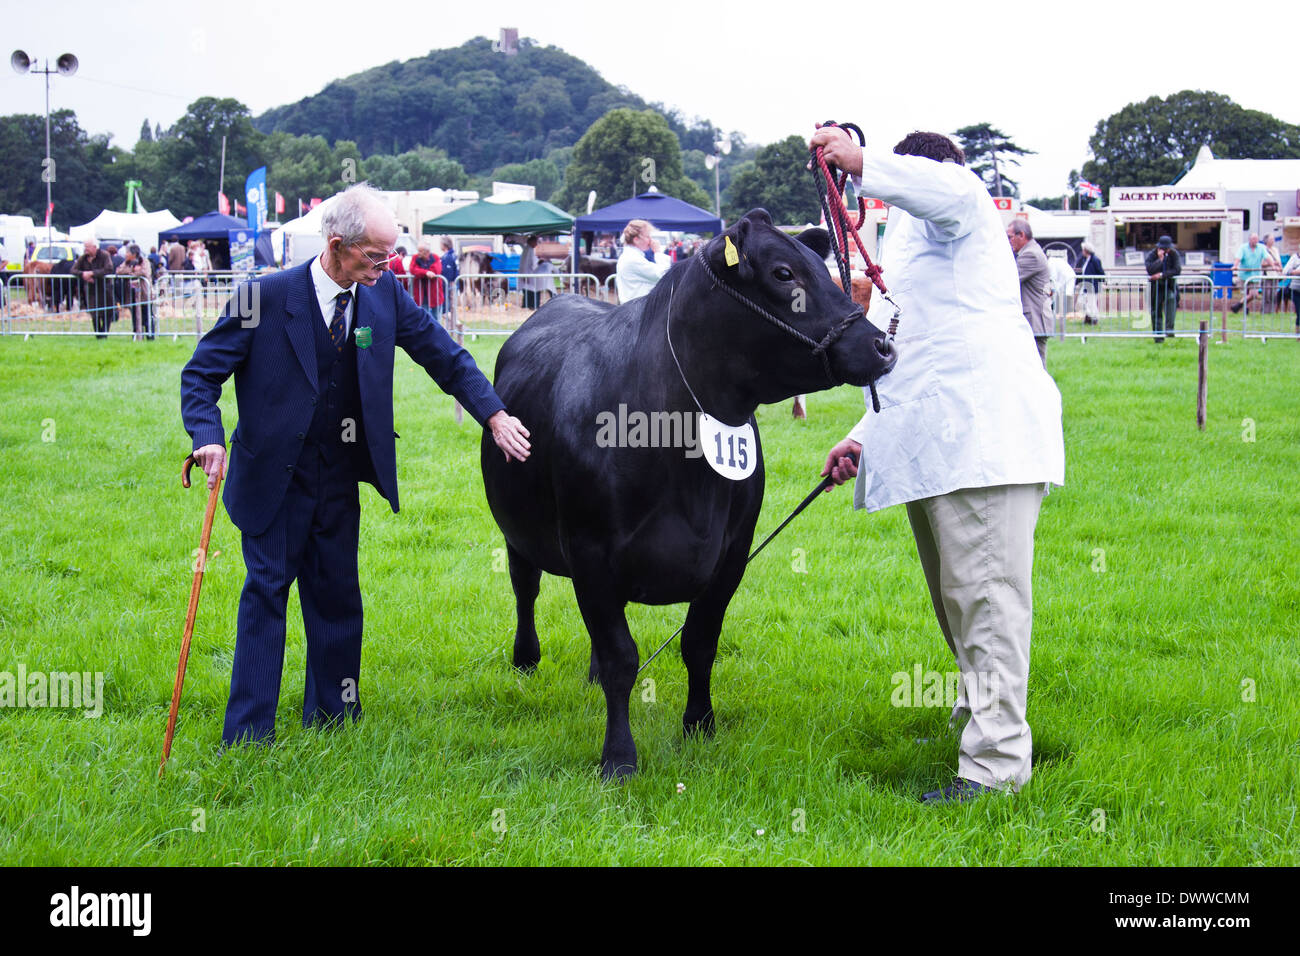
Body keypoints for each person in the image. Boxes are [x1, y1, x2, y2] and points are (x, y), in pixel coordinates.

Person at [181, 183, 532, 748]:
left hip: (339, 476)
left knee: (338, 596)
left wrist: (492, 415)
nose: (386, 264)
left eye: (390, 253)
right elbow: (200, 376)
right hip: (272, 477)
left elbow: (444, 355)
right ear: (336, 243)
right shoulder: (263, 298)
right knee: (266, 597)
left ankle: (333, 719)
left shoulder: (384, 294)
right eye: (375, 254)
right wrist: (208, 437)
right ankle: (247, 736)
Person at [809, 126, 1064, 804]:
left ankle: (997, 767)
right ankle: (976, 717)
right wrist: (861, 434)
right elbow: (905, 353)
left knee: (987, 603)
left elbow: (945, 188)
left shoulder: (963, 203)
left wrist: (863, 161)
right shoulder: (908, 247)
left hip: (984, 441)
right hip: (936, 445)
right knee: (959, 604)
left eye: (893, 179)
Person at [1007, 219, 1051, 367]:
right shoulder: (1031, 251)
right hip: (1033, 320)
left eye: (1010, 237)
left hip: (1034, 321)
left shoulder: (1030, 255)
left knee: (1036, 368)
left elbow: (1007, 280)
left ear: (1022, 235)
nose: (1008, 241)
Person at [615, 219, 670, 302]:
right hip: (637, 311)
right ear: (636, 240)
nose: (650, 240)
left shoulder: (632, 256)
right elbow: (663, 274)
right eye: (648, 236)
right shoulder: (633, 259)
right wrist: (658, 252)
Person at [72, 239, 115, 338]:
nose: (85, 249)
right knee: (94, 313)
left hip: (105, 288)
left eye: (87, 247)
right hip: (91, 290)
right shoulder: (83, 258)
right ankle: (98, 335)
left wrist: (92, 273)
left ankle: (104, 335)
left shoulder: (104, 255)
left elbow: (109, 269)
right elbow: (73, 270)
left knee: (107, 312)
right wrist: (83, 274)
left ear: (95, 247)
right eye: (85, 247)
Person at [1144, 235, 1181, 342]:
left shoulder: (1174, 254)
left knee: (1171, 300)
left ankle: (1169, 330)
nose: (1165, 251)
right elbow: (1150, 270)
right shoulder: (1152, 254)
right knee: (1156, 311)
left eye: (1167, 249)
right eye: (1163, 249)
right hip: (1156, 286)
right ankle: (1158, 337)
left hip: (1169, 285)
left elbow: (1177, 270)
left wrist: (1161, 274)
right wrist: (1160, 260)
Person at [116, 243, 155, 340]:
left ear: (134, 254)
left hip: (144, 294)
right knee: (135, 316)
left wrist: (132, 273)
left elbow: (145, 272)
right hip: (132, 294)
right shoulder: (127, 262)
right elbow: (119, 271)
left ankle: (150, 335)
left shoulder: (144, 261)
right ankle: (136, 335)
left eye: (128, 253)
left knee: (147, 316)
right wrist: (132, 270)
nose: (126, 255)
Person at [1231, 233, 1267, 314]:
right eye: (1254, 239)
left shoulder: (1261, 248)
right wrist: (1235, 266)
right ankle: (1244, 309)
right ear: (1249, 240)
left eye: (1257, 239)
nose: (1255, 241)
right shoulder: (1243, 247)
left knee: (1254, 295)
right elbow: (1238, 257)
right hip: (1244, 275)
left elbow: (1267, 257)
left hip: (1255, 275)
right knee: (1248, 294)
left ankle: (1238, 306)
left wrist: (1275, 265)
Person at [408, 241, 443, 319]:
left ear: (427, 252)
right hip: (421, 294)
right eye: (418, 250)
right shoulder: (415, 257)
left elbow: (436, 271)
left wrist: (421, 272)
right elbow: (413, 269)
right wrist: (426, 272)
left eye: (420, 251)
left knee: (436, 317)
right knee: (423, 317)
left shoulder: (435, 257)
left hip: (435, 294)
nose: (418, 253)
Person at [1075, 240, 1105, 325]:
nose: (1082, 252)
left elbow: (1100, 272)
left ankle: (1094, 318)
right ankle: (1089, 317)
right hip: (1086, 285)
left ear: (1086, 251)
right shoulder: (1086, 260)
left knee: (1091, 303)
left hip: (1092, 285)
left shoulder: (1095, 260)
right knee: (1082, 302)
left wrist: (1103, 282)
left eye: (1083, 250)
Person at [439, 236, 459, 322]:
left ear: (444, 245)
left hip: (449, 285)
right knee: (450, 308)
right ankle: (453, 328)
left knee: (448, 308)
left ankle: (457, 326)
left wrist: (445, 283)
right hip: (450, 284)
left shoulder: (449, 257)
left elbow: (449, 273)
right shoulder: (451, 256)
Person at [517, 235, 540, 309]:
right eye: (536, 242)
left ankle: (529, 306)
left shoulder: (528, 249)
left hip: (529, 274)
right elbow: (526, 264)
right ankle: (530, 306)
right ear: (531, 242)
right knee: (530, 291)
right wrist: (525, 275)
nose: (537, 244)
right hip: (528, 274)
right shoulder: (529, 250)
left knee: (529, 291)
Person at [1284, 251, 1300, 336]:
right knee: (1299, 312)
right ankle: (1298, 335)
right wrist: (1294, 272)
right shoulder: (1294, 258)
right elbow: (1286, 270)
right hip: (1296, 289)